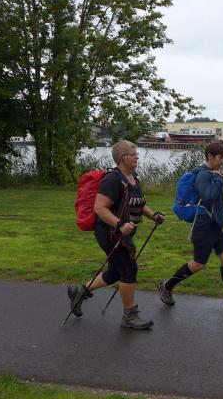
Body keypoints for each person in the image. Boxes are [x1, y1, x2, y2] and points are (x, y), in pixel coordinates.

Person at [67, 140, 165, 329]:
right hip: (109, 232)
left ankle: (80, 292)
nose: (137, 156)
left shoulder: (133, 177)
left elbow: (139, 203)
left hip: (123, 232)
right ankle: (129, 315)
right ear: (122, 158)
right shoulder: (112, 179)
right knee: (128, 268)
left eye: (137, 153)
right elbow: (100, 208)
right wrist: (119, 224)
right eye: (133, 154)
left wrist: (153, 216)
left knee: (115, 272)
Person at [157, 141, 223, 309]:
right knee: (199, 264)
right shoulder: (203, 175)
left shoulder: (214, 174)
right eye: (220, 158)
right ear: (210, 156)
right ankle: (167, 285)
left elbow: (218, 198)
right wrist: (218, 178)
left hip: (218, 223)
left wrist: (221, 180)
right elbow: (208, 198)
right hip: (204, 225)